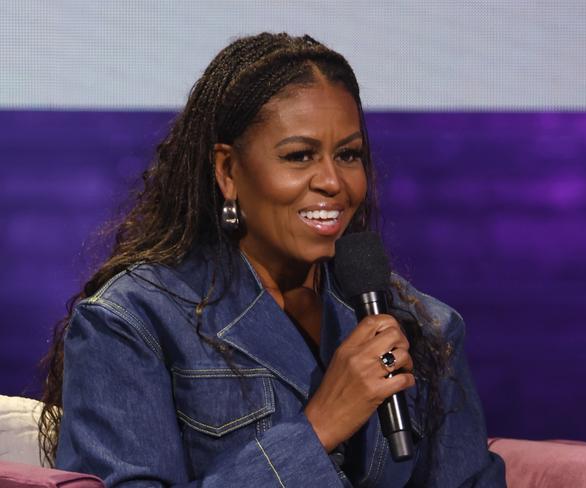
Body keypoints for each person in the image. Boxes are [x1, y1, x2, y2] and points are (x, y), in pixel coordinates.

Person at [39, 32, 506, 487]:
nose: (332, 182)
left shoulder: (419, 324)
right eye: (300, 156)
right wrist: (317, 430)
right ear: (228, 170)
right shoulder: (133, 322)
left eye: (348, 155)